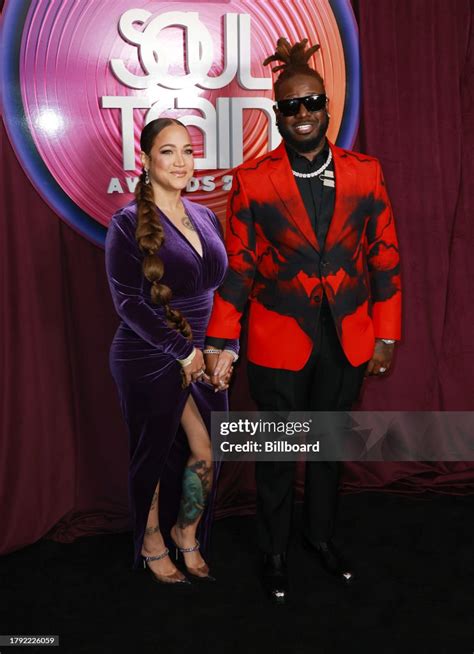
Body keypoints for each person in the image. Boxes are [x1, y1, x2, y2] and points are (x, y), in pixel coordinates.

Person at [204, 38, 402, 603]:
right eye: (291, 106)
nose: (304, 114)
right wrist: (221, 341)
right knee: (275, 452)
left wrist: (386, 332)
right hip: (276, 340)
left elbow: (384, 255)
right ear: (277, 114)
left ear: (326, 107)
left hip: (347, 338)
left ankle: (320, 537)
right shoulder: (253, 180)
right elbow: (238, 269)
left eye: (312, 102)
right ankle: (274, 550)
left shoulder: (366, 173)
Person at [105, 118, 238, 584]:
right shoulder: (125, 223)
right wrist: (184, 352)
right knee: (154, 452)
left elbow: (224, 292)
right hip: (147, 354)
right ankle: (151, 541)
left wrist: (227, 349)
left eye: (188, 150)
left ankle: (186, 533)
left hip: (202, 352)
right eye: (168, 152)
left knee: (208, 447)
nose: (181, 161)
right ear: (145, 160)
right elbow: (129, 302)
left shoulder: (205, 215)